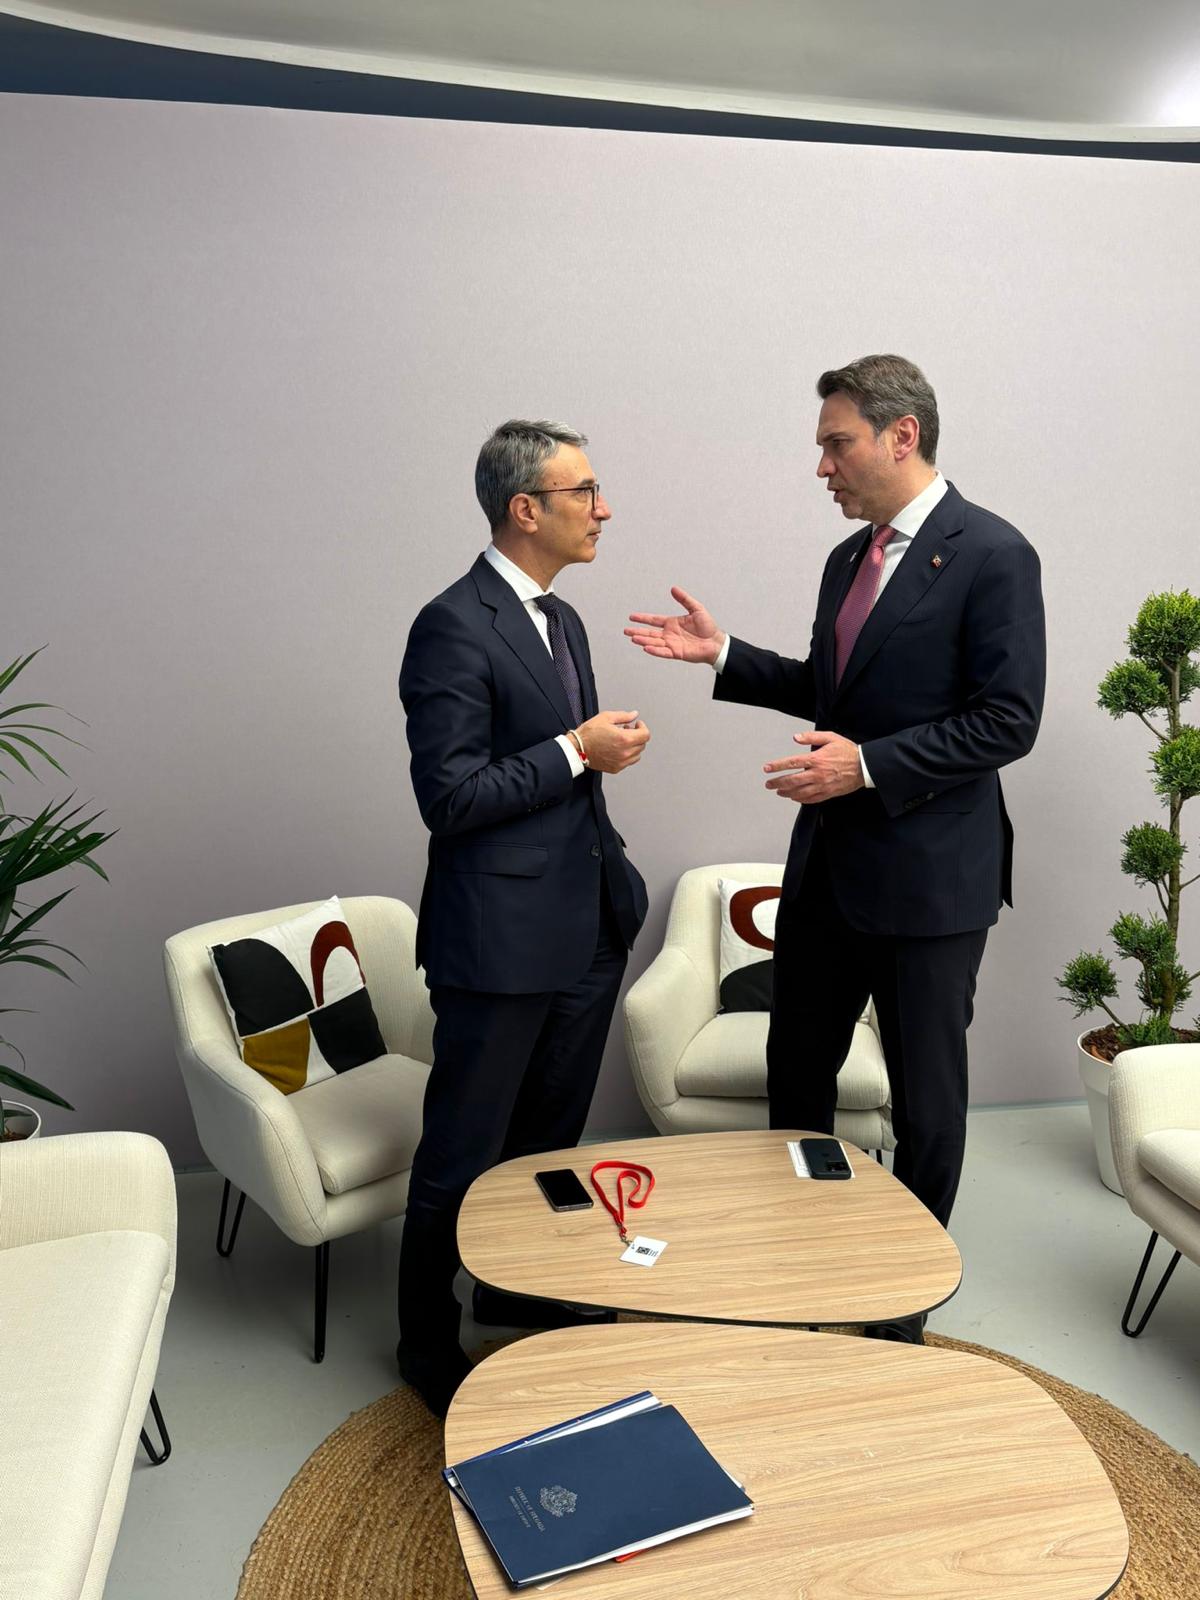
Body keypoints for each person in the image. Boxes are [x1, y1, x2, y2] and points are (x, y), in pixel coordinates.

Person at [626, 355, 1045, 1341]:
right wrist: (726, 656)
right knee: (796, 1074)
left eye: (836, 443)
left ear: (902, 436)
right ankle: (803, 1255)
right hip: (826, 874)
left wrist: (867, 767)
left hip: (931, 885)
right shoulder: (846, 560)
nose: (822, 466)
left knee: (927, 1104)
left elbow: (1008, 719)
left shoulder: (994, 553)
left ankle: (899, 1305)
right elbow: (833, 688)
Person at [397, 419, 650, 1415]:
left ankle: (515, 1288)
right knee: (461, 1152)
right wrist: (580, 749)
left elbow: (558, 780)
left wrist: (591, 767)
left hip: (586, 927)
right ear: (525, 509)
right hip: (496, 943)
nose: (604, 508)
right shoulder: (452, 626)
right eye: (584, 491)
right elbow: (452, 797)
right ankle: (424, 1341)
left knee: (547, 1140)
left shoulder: (565, 620)